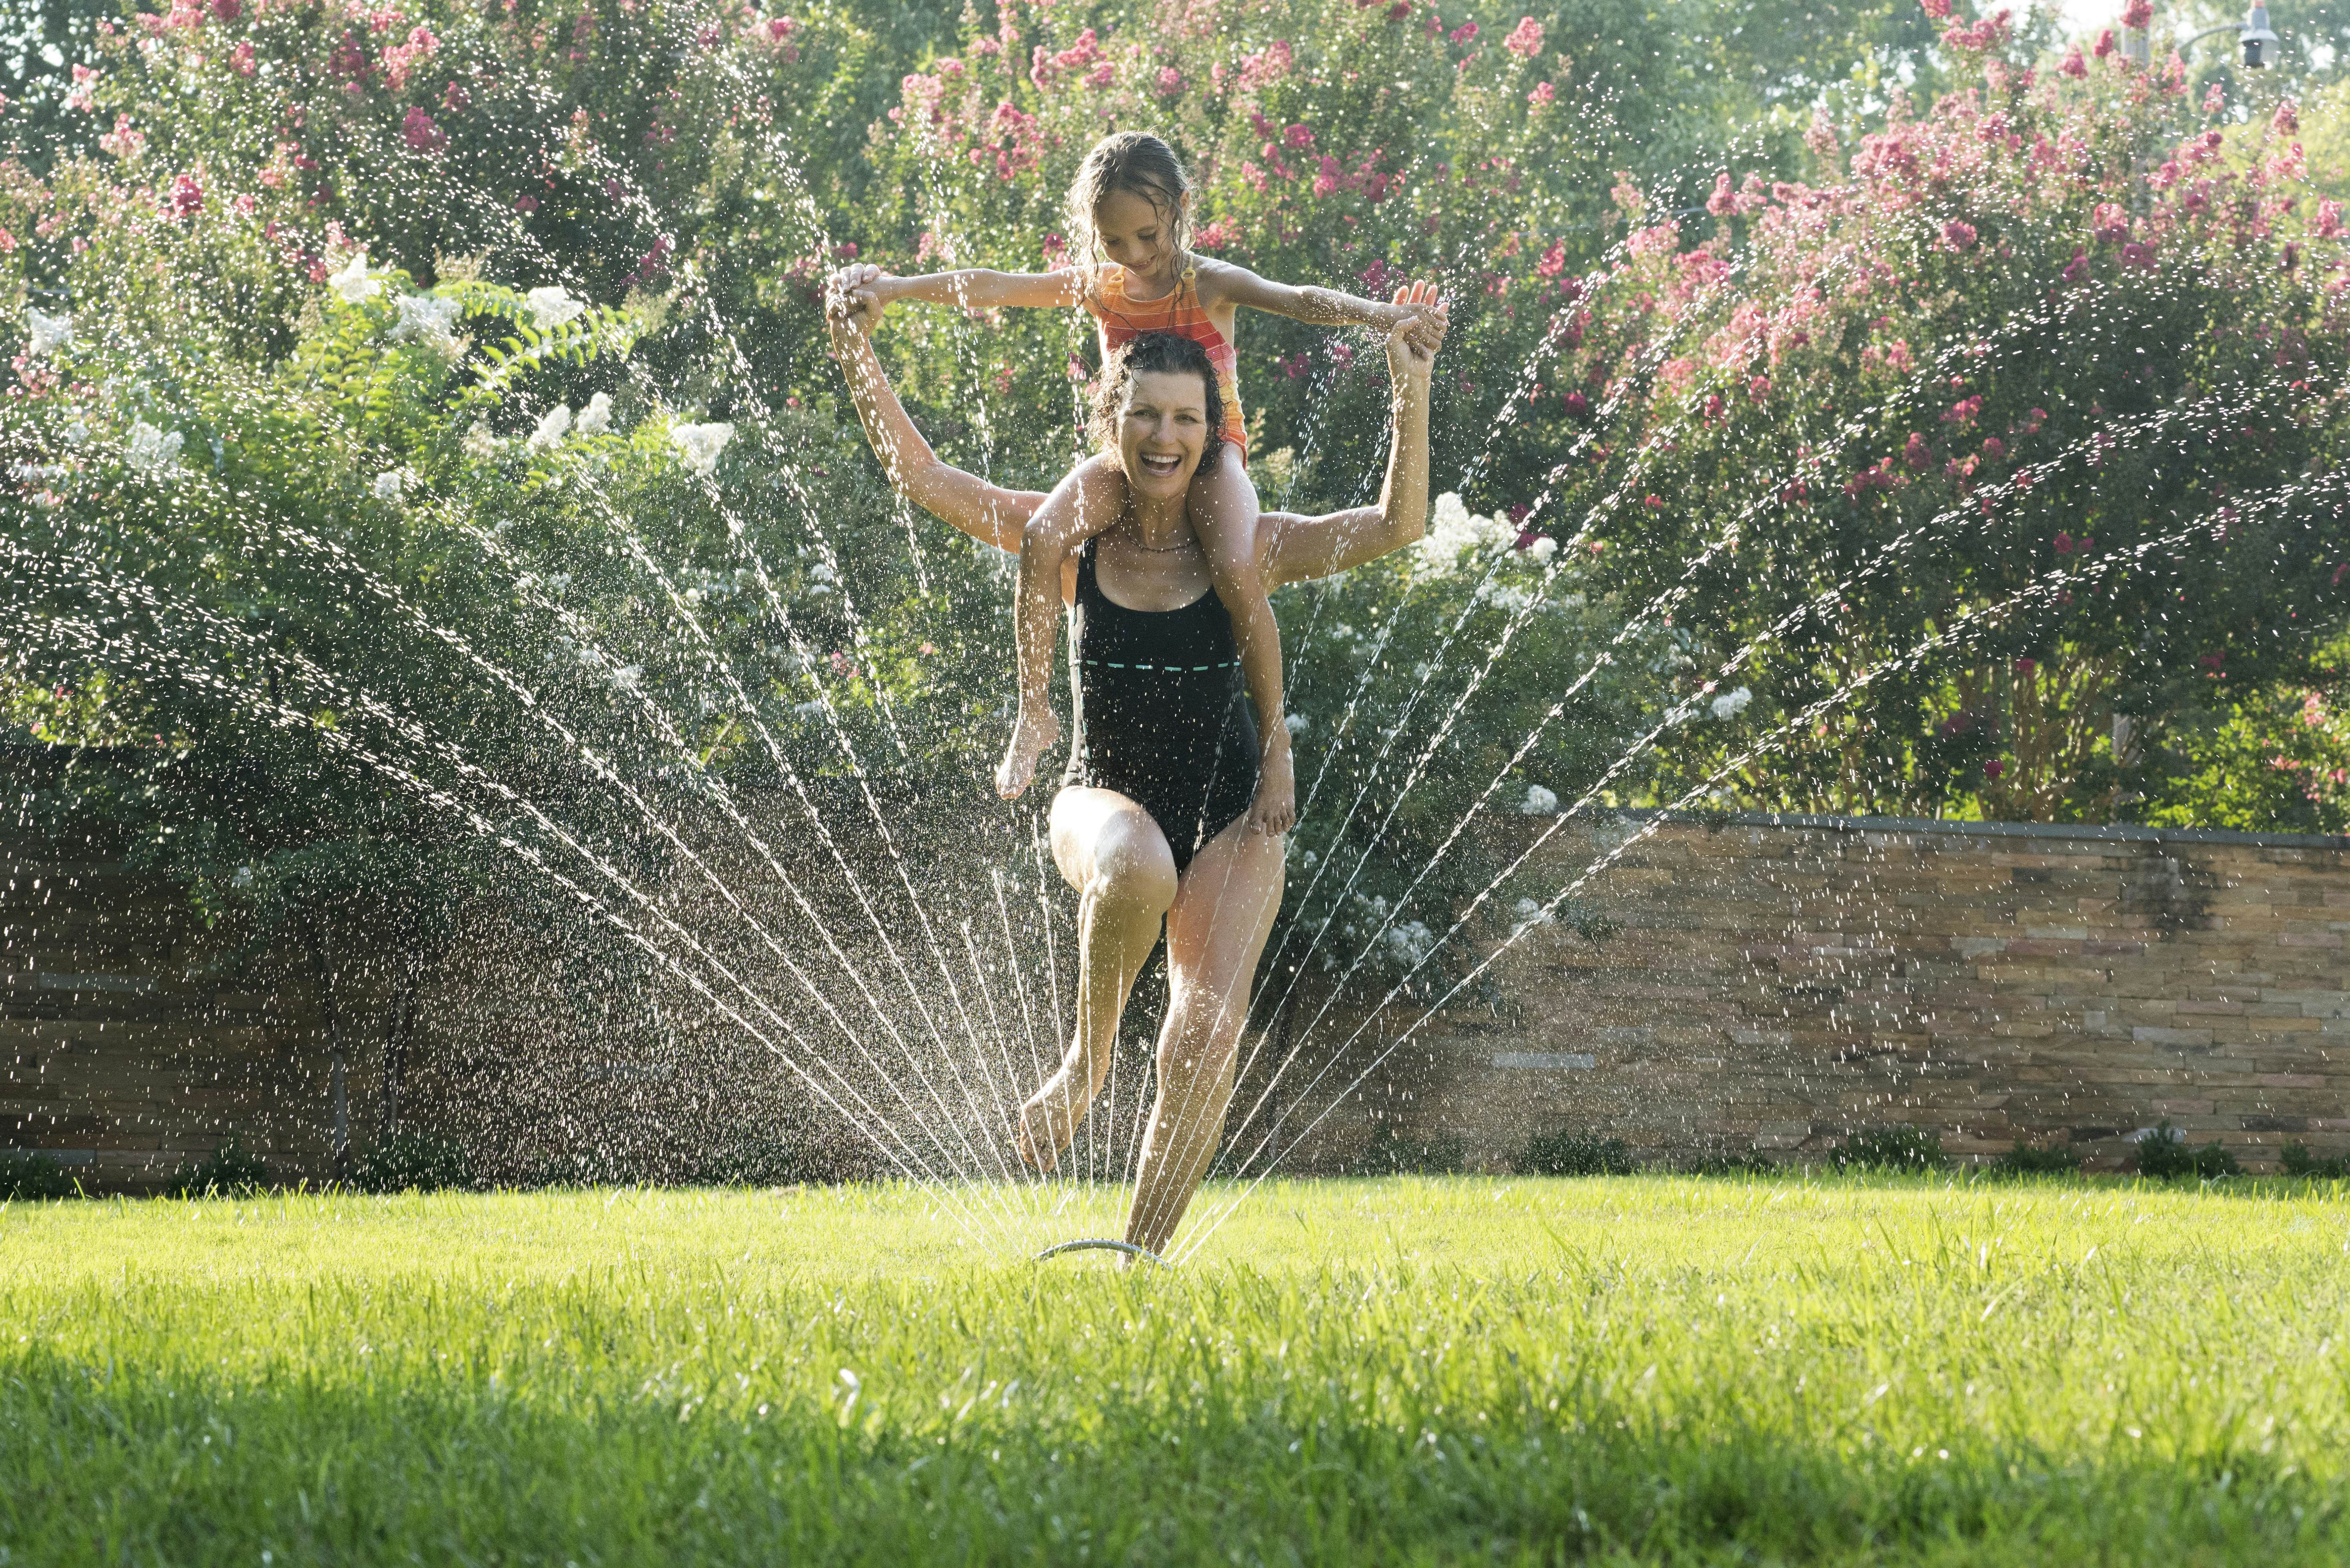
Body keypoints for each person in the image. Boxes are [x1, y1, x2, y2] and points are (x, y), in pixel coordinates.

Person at [826, 280, 1445, 1255]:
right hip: (1100, 798)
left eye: (1186, 420)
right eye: (1145, 414)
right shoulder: (1076, 540)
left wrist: (1410, 384)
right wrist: (856, 348)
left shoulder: (1244, 546)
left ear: (1211, 433)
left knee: (1203, 1036)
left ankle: (1138, 1257)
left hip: (1234, 814)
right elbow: (924, 476)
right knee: (1135, 865)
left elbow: (1393, 527)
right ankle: (1084, 1059)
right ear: (1110, 420)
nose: (1165, 436)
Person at [830, 131, 1443, 848]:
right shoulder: (1102, 285)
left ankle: (1277, 744)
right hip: (1124, 463)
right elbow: (992, 284)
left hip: (1214, 455)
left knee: (1236, 561)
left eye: (1147, 234)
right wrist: (896, 291)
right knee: (1039, 534)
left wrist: (1384, 317)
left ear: (1180, 210)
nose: (1133, 254)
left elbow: (1299, 299)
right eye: (1113, 240)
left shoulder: (1208, 282)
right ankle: (1035, 712)